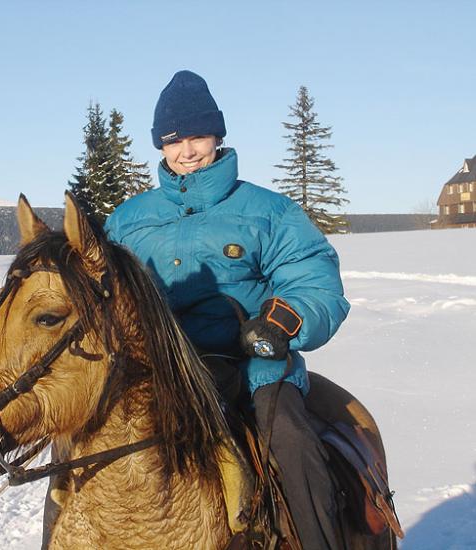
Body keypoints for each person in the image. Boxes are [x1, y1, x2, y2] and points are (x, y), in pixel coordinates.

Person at [104, 70, 350, 549]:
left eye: (198, 136)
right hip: (157, 373)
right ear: (160, 145)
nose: (187, 151)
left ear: (217, 136)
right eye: (174, 140)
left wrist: (280, 325)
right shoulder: (127, 221)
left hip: (251, 366)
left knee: (291, 441)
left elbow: (314, 280)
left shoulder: (269, 211)